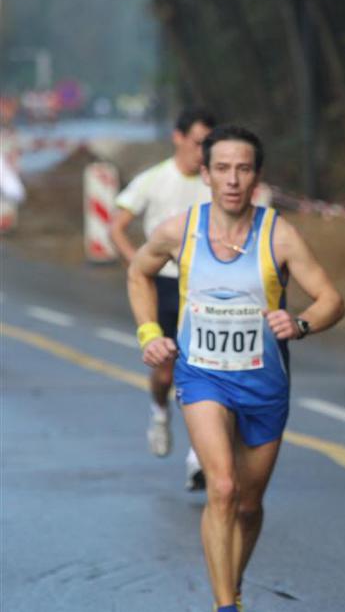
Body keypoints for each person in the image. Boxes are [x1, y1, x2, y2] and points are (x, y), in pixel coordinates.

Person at [127, 124, 344, 611]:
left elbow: (332, 299)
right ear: (205, 174)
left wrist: (301, 323)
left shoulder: (279, 235)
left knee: (247, 504)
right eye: (222, 168)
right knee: (222, 487)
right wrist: (150, 333)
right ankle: (225, 605)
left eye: (243, 169)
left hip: (265, 384)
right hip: (202, 376)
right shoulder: (180, 230)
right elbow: (139, 271)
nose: (232, 179)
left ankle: (233, 587)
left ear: (256, 177)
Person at [110, 107, 216, 490]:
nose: (202, 151)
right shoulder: (154, 179)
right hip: (162, 285)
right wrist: (137, 266)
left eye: (208, 144)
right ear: (178, 137)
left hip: (203, 286)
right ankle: (159, 410)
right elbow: (117, 227)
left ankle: (198, 456)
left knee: (201, 368)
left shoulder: (215, 181)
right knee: (166, 372)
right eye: (197, 142)